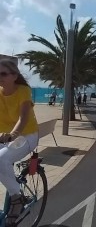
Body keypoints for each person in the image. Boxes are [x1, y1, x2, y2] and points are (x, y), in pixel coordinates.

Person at [0, 59, 39, 226]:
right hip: (4, 136)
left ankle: (17, 198)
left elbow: (23, 118)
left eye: (3, 73)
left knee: (1, 159)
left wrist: (12, 134)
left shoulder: (23, 90)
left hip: (26, 136)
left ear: (14, 76)